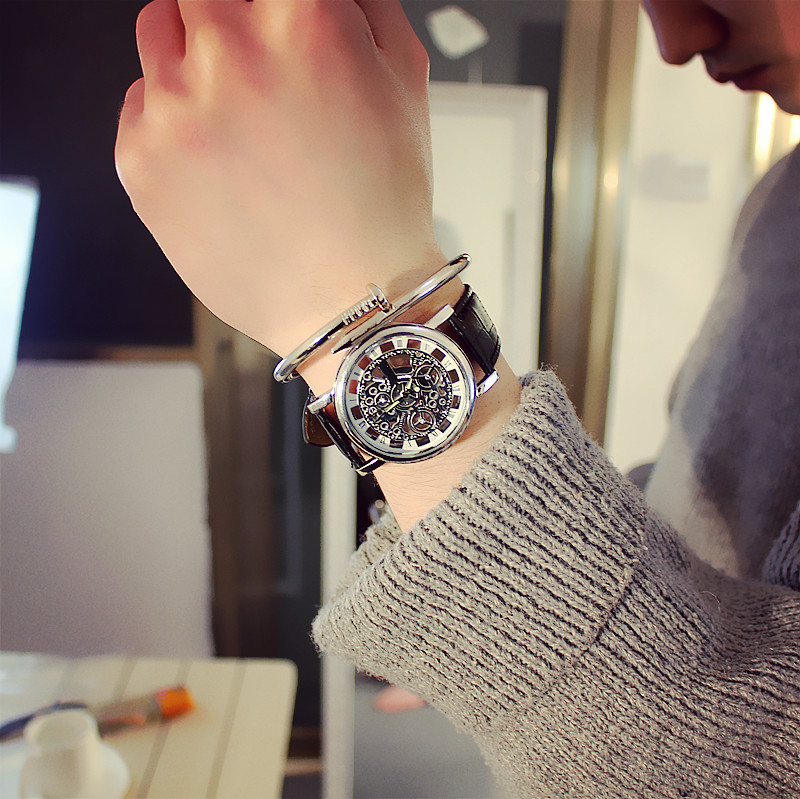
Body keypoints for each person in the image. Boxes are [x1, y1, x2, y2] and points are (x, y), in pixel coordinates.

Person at [116, 0, 800, 795]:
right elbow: (706, 493)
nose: (677, 41)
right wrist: (483, 587)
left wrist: (357, 302)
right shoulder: (780, 198)